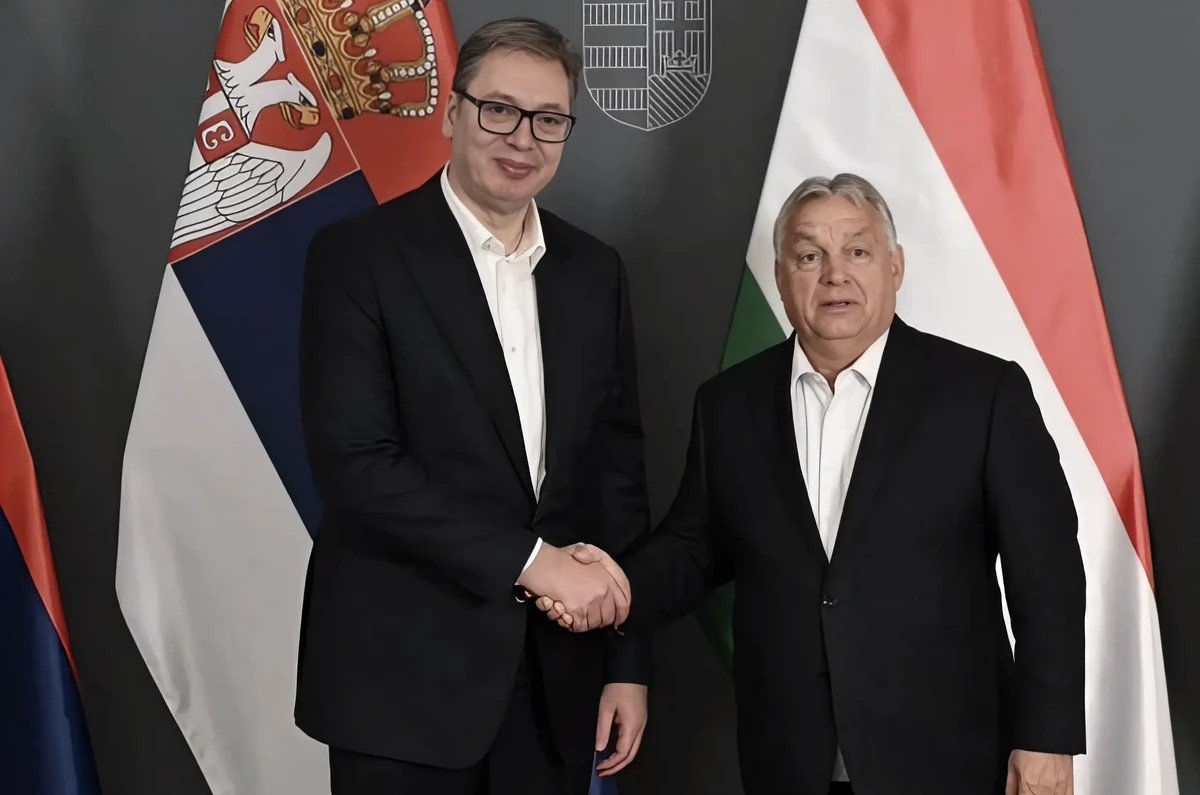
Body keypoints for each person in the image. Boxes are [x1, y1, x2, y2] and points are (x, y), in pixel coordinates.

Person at [540, 174, 1085, 795]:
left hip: (947, 755)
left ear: (895, 267)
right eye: (808, 256)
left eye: (858, 251)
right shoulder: (728, 404)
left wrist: (1047, 738)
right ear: (780, 276)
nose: (834, 275)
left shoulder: (984, 394)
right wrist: (613, 586)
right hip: (789, 755)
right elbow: (694, 549)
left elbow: (1048, 576)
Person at [295, 17, 651, 795]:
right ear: (453, 113)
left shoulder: (596, 273)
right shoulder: (358, 257)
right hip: (401, 685)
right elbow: (356, 466)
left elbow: (617, 477)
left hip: (555, 686)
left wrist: (626, 660)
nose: (522, 137)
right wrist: (535, 563)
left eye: (548, 119)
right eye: (499, 109)